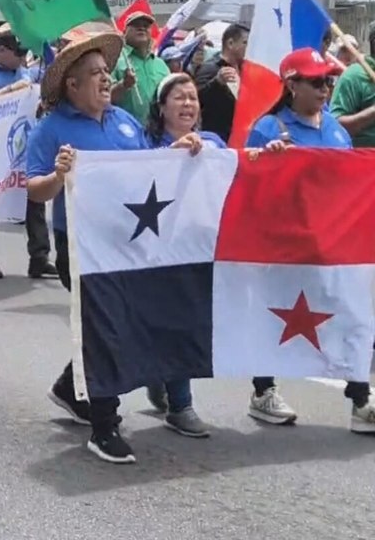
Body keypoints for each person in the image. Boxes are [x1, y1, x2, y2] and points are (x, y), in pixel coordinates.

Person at [27, 23, 204, 464]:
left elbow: (147, 173)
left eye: (106, 71)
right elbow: (35, 191)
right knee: (107, 328)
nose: (107, 79)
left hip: (127, 240)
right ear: (72, 85)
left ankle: (70, 388)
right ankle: (104, 425)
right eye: (95, 73)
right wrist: (59, 175)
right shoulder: (51, 129)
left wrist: (177, 153)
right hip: (80, 244)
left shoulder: (124, 122)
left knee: (114, 324)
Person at [244, 48, 375, 434]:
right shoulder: (268, 128)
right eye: (316, 81)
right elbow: (247, 183)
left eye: (328, 81)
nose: (325, 89)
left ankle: (360, 399)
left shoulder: (334, 128)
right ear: (292, 85)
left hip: (333, 245)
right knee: (274, 315)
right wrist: (267, 161)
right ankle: (263, 391)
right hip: (285, 245)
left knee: (350, 314)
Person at [137, 72, 226, 439]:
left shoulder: (214, 142)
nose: (188, 104)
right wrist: (171, 156)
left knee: (187, 323)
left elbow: (237, 176)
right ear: (161, 108)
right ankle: (181, 404)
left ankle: (163, 377)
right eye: (179, 97)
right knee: (172, 322)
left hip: (202, 248)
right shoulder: (144, 145)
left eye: (192, 97)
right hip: (158, 250)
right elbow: (132, 181)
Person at [0, 23, 56, 281]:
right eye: (19, 52)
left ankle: (39, 258)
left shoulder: (23, 72)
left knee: (34, 201)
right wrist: (9, 91)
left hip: (22, 149)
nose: (23, 57)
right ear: (2, 50)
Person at [110, 9, 168, 124]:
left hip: (158, 130)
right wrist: (124, 85)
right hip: (126, 128)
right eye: (135, 25)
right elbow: (104, 98)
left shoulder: (161, 65)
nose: (142, 28)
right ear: (124, 32)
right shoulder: (114, 61)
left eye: (146, 26)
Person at [194, 23, 249, 142]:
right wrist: (217, 82)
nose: (249, 48)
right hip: (216, 137)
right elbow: (197, 98)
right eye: (245, 43)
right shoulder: (209, 68)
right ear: (230, 43)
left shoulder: (246, 70)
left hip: (240, 135)